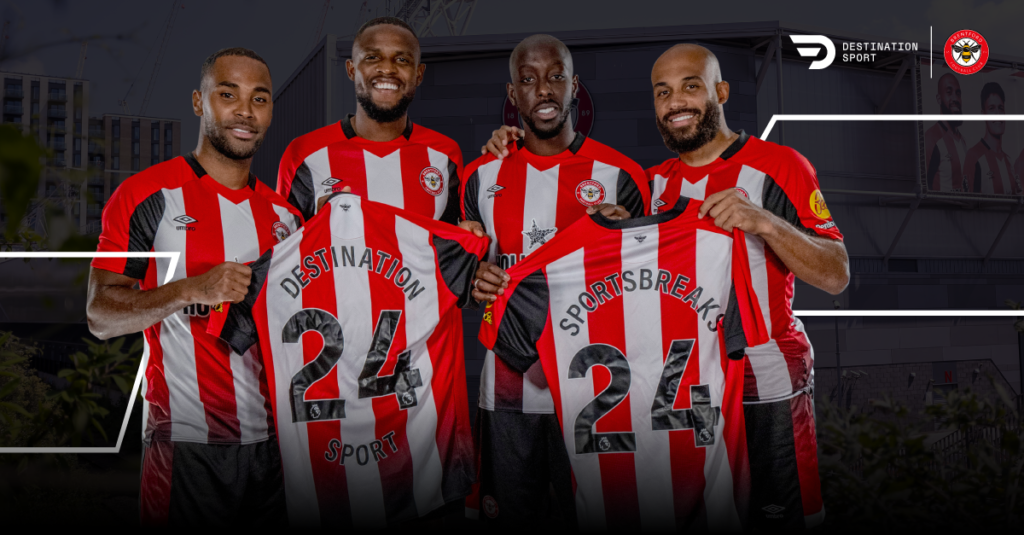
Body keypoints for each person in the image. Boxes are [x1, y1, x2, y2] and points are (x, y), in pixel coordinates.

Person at [85, 48, 301, 527]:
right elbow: (100, 316)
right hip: (185, 444)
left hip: (278, 451)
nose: (245, 111)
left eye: (259, 99)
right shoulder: (147, 196)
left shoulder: (287, 218)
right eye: (229, 94)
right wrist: (187, 290)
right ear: (199, 102)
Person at [644, 43, 849, 530]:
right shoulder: (648, 184)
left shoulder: (781, 165)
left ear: (721, 91)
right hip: (681, 389)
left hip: (765, 377)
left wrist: (768, 224)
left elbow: (836, 274)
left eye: (691, 86)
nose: (676, 102)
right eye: (663, 92)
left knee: (781, 518)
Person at [463, 34, 649, 526]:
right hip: (506, 387)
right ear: (512, 94)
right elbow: (465, 272)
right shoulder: (480, 176)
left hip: (596, 387)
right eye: (528, 80)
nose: (543, 90)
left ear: (574, 86)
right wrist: (474, 280)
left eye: (555, 77)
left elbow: (645, 287)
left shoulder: (621, 175)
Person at [276, 17, 465, 225]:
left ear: (419, 74)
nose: (387, 69)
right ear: (351, 69)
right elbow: (285, 245)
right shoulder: (303, 154)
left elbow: (454, 246)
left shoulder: (446, 156)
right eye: (373, 57)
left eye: (402, 60)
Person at [963, 82, 1021, 195]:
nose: (997, 114)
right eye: (991, 108)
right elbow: (968, 205)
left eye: (1000, 108)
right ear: (983, 114)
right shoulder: (973, 156)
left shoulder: (1009, 161)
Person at [925, 73, 967, 192]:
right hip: (943, 209)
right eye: (949, 92)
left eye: (958, 93)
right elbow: (925, 186)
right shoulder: (931, 139)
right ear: (939, 99)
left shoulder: (962, 140)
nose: (955, 98)